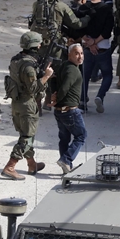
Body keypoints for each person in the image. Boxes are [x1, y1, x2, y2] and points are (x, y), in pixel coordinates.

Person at [30, 0, 89, 111]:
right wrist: (87, 18)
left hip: (39, 46)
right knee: (55, 74)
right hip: (55, 47)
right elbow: (76, 23)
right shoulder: (61, 6)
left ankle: (38, 103)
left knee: (40, 72)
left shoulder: (37, 4)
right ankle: (49, 100)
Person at [3, 32, 54, 181]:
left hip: (17, 103)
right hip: (27, 104)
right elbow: (33, 88)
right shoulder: (28, 66)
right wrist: (46, 76)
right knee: (27, 137)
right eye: (39, 44)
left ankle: (32, 164)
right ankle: (10, 166)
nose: (40, 46)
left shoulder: (16, 60)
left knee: (26, 134)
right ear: (35, 46)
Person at [49, 43, 87, 174]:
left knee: (64, 139)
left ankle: (66, 167)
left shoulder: (63, 66)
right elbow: (65, 87)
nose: (80, 56)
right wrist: (56, 99)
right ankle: (66, 160)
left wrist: (54, 95)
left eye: (81, 53)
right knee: (81, 136)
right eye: (76, 53)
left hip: (59, 111)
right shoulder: (73, 70)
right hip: (70, 111)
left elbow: (53, 79)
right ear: (69, 55)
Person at [80, 0, 115, 113]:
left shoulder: (83, 8)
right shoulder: (107, 9)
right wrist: (96, 42)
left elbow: (78, 27)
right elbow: (107, 31)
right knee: (107, 75)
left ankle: (82, 101)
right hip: (103, 48)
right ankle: (100, 96)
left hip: (87, 48)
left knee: (85, 76)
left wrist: (89, 42)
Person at [79, 0, 112, 83]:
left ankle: (88, 76)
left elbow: (76, 8)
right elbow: (109, 10)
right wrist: (95, 41)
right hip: (100, 30)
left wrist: (89, 41)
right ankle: (94, 74)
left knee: (88, 55)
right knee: (100, 52)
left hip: (85, 30)